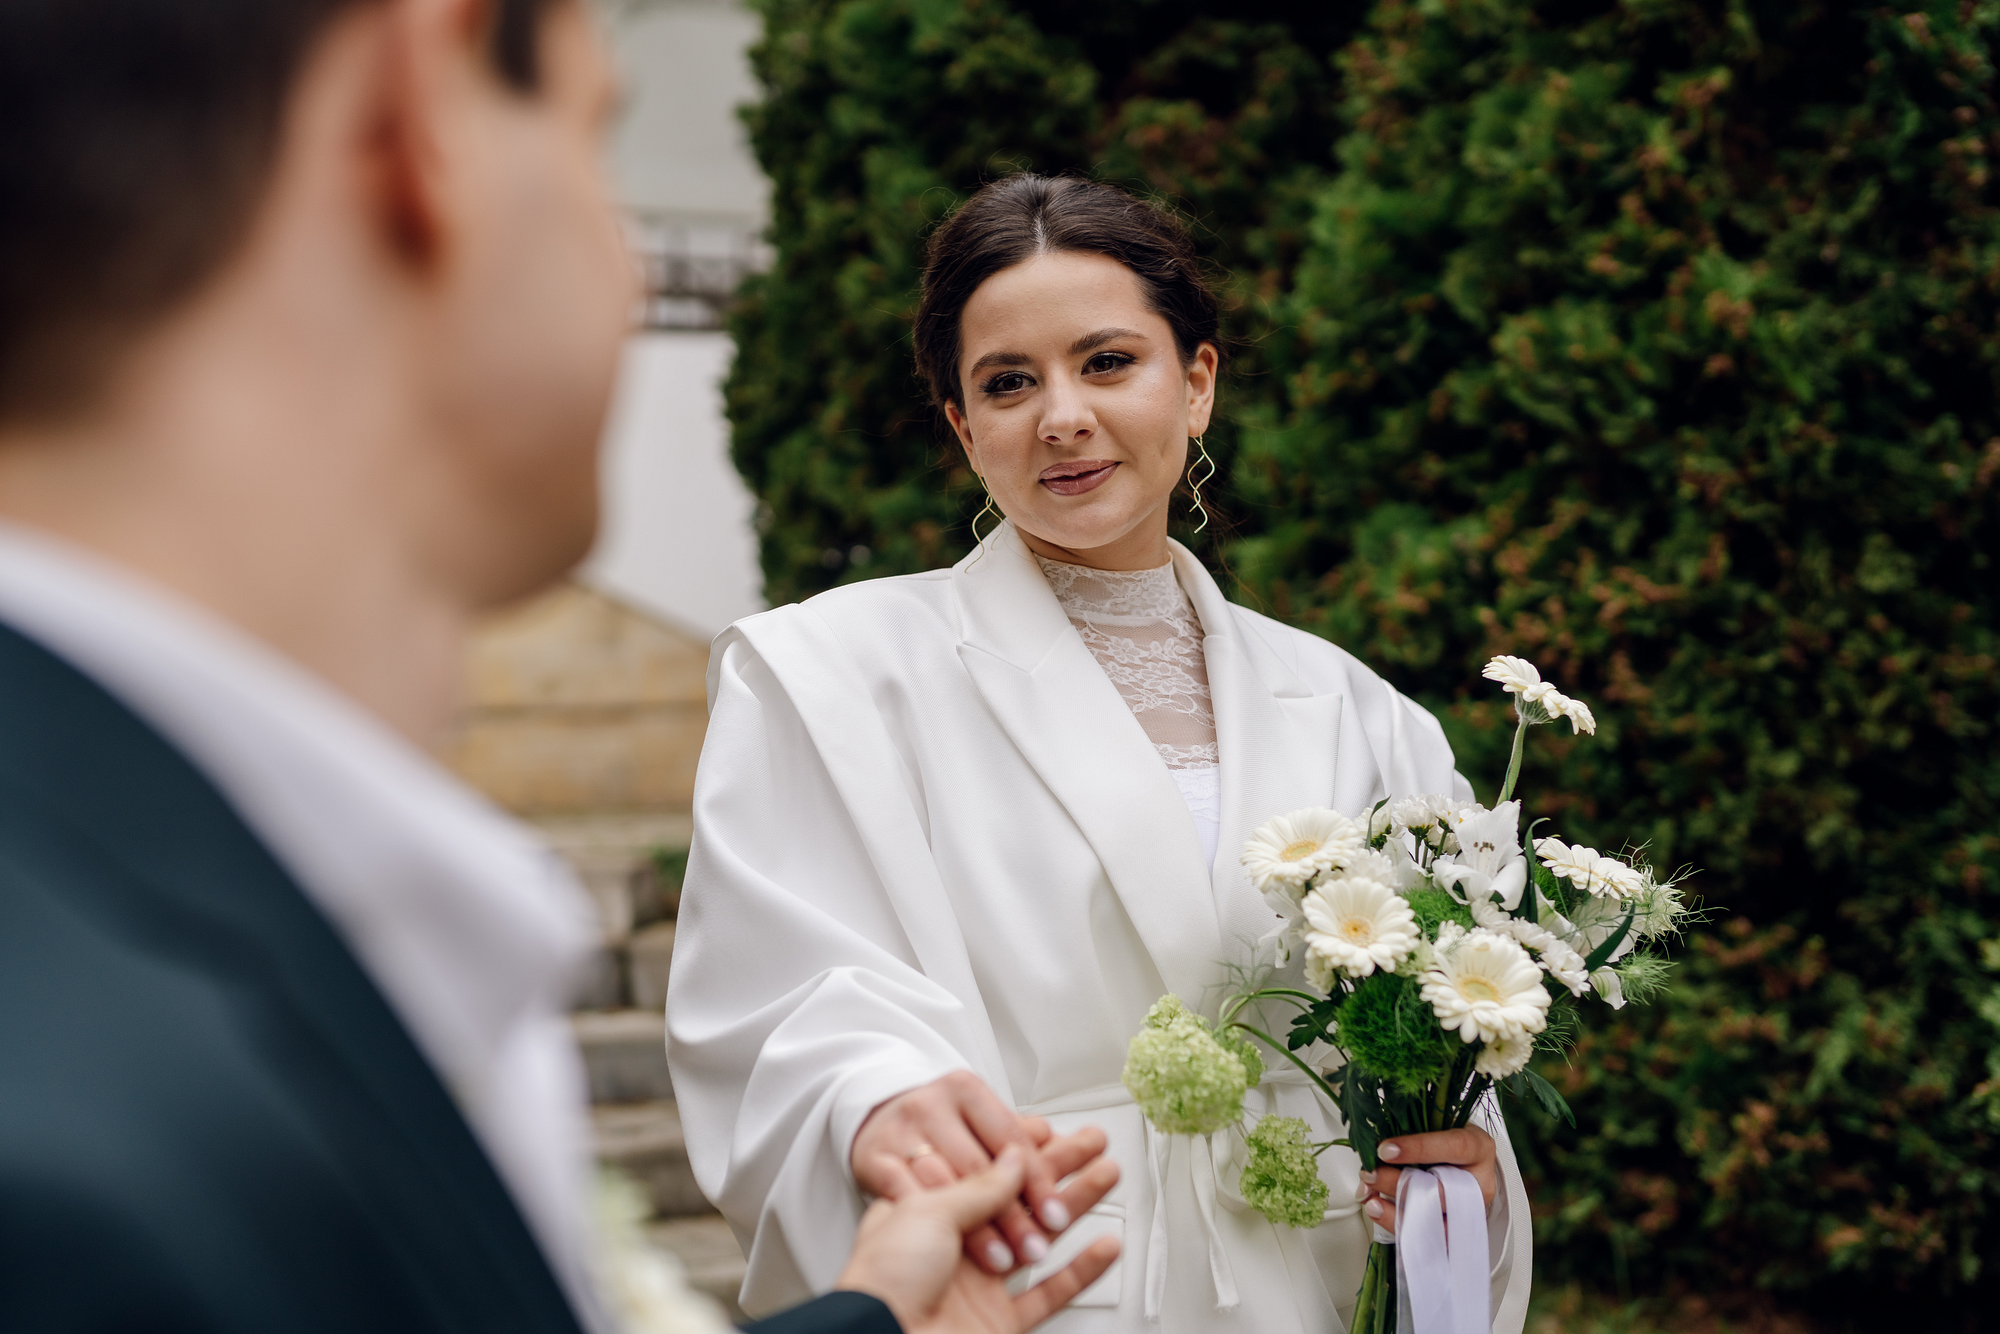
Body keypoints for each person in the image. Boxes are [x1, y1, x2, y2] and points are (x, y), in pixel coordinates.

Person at [0, 3, 1120, 1332]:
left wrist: (877, 1317)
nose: (630, 271)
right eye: (596, 139)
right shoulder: (80, 1174)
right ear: (419, 117)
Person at [667, 173, 1536, 1334]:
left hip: (1312, 1274)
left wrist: (1457, 1186)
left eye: (1107, 361)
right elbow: (782, 1002)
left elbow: (1448, 1066)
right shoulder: (827, 677)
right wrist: (877, 1101)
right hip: (1035, 1267)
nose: (1060, 414)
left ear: (1198, 382)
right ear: (961, 427)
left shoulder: (1359, 709)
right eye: (1007, 383)